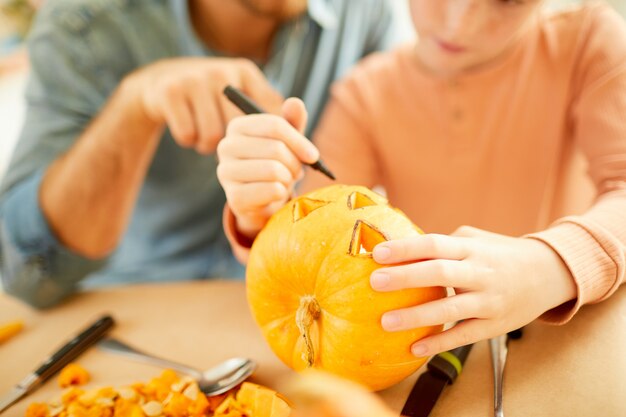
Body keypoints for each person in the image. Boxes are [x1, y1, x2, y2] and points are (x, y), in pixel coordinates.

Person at [217, 0, 626, 357]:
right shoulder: (364, 94)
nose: (458, 22)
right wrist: (260, 216)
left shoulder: (591, 41)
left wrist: (547, 267)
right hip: (430, 345)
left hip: (574, 343)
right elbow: (310, 250)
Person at [0, 0, 412, 308]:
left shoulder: (367, 13)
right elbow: (33, 275)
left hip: (283, 307)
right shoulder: (86, 24)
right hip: (128, 308)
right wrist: (135, 104)